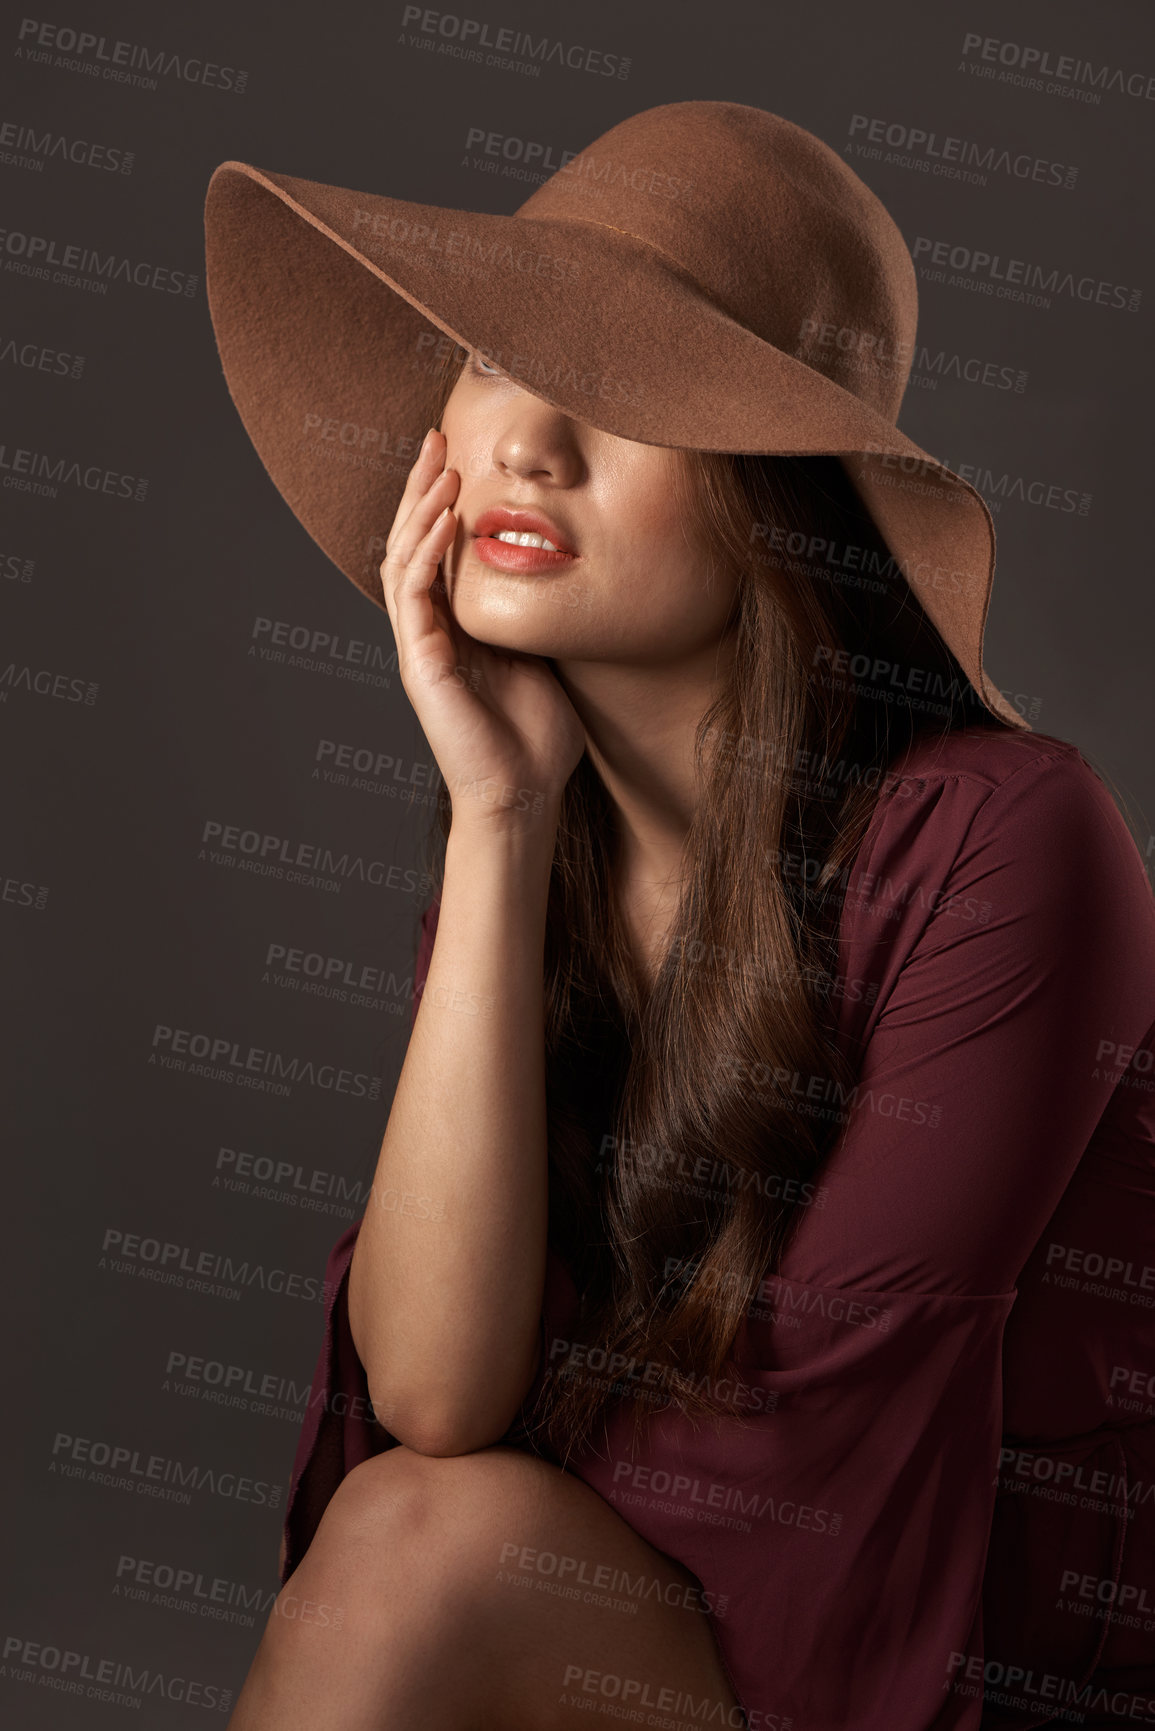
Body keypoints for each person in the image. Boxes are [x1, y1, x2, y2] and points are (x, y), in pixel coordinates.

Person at [203, 103, 1155, 1730]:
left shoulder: (1014, 848)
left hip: (948, 1670)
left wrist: (487, 1508)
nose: (527, 441)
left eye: (626, 390)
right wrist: (499, 828)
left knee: (422, 1555)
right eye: (497, 358)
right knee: (417, 1532)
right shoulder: (543, 847)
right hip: (629, 1624)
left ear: (785, 493)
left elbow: (809, 1457)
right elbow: (433, 1391)